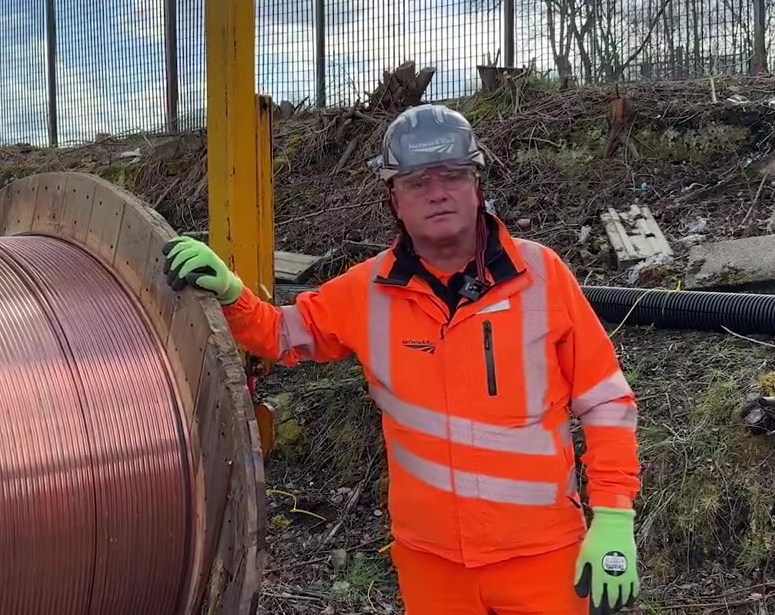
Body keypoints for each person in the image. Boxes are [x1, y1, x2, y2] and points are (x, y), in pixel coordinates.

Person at [162, 104, 641, 615]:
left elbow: (606, 402)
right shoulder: (366, 292)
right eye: (416, 182)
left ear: (477, 184)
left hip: (543, 554)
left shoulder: (542, 276)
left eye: (452, 176)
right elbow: (282, 334)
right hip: (431, 565)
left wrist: (613, 517)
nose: (436, 192)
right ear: (395, 198)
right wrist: (233, 294)